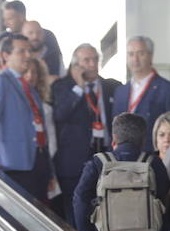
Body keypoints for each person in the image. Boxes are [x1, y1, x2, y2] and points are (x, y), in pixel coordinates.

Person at [0, 35, 56, 202]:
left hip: (38, 160)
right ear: (6, 55)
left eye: (29, 51)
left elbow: (41, 127)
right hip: (14, 163)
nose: (28, 55)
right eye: (21, 51)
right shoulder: (0, 82)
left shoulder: (29, 87)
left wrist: (50, 170)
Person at [52, 44, 121, 221]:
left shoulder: (112, 86)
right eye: (87, 60)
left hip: (106, 157)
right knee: (76, 211)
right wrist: (79, 86)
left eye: (95, 60)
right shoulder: (62, 86)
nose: (92, 64)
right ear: (76, 65)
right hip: (74, 162)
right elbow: (60, 114)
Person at [112, 35, 170, 132]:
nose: (135, 59)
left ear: (151, 56)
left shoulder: (169, 90)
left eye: (140, 53)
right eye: (131, 54)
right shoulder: (120, 91)